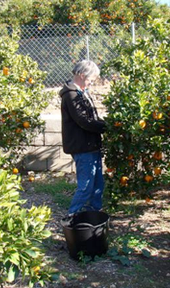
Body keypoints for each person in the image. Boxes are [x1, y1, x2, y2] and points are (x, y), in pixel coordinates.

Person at [59, 60, 106, 216]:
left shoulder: (82, 91)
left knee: (98, 183)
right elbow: (84, 121)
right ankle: (72, 216)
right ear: (81, 75)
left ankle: (94, 213)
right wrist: (106, 127)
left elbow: (92, 117)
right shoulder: (71, 94)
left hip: (91, 144)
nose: (92, 82)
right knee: (86, 185)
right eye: (91, 78)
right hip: (82, 145)